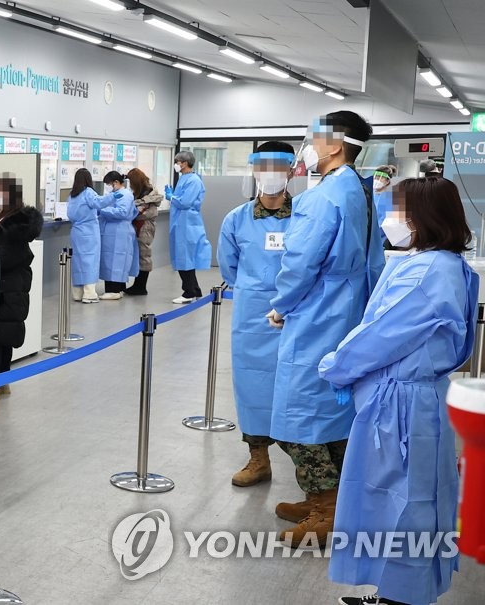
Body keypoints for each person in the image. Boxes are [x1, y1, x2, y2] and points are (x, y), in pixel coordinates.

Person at [321, 177, 476, 605]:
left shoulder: (427, 272)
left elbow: (382, 336)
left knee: (406, 503)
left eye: (396, 211)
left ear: (420, 217)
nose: (389, 220)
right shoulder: (438, 262)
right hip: (408, 398)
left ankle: (404, 598)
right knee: (400, 499)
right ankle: (396, 593)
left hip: (404, 405)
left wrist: (336, 367)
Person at [267, 111, 385, 548]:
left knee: (298, 417)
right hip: (348, 312)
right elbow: (374, 260)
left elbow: (300, 263)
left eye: (315, 140)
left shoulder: (322, 197)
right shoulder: (360, 190)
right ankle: (324, 496)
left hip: (317, 315)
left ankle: (325, 509)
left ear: (335, 145)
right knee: (333, 413)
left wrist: (281, 306)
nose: (311, 147)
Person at [216, 142, 296, 488]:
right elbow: (229, 267)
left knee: (297, 385)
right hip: (251, 316)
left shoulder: (306, 215)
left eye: (279, 168)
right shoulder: (236, 219)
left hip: (297, 312)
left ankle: (310, 470)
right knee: (251, 385)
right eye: (264, 167)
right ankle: (258, 459)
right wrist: (255, 291)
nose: (271, 175)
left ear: (293, 170)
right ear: (253, 170)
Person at [0, 173, 43, 397]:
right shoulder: (0, 219)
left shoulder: (14, 225)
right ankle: (2, 381)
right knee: (2, 336)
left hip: (6, 289)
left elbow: (2, 256)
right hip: (8, 288)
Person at [165, 151, 212, 304]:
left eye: (177, 161)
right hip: (181, 223)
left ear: (184, 163)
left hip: (187, 224)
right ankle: (195, 290)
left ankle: (188, 292)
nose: (176, 164)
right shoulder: (184, 178)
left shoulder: (193, 180)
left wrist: (171, 197)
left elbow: (185, 202)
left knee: (185, 258)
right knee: (183, 258)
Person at [67, 168, 115, 304]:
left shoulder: (72, 195)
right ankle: (89, 293)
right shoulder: (88, 192)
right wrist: (113, 195)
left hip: (76, 232)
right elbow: (98, 203)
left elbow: (70, 214)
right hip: (89, 232)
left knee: (78, 261)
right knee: (90, 260)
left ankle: (77, 293)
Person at [98, 171, 140, 301]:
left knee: (117, 260)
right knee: (110, 259)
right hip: (113, 230)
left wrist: (102, 210)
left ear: (116, 182)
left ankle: (114, 290)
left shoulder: (125, 195)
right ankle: (118, 288)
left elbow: (122, 212)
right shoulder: (115, 194)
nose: (108, 187)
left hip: (120, 231)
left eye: (109, 184)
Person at [123, 168, 163, 296]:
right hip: (138, 226)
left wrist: (134, 212)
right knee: (139, 255)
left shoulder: (149, 194)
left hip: (145, 227)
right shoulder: (140, 193)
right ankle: (137, 285)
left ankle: (141, 287)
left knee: (144, 255)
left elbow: (150, 213)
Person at [372, 165, 397, 242]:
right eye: (376, 177)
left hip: (381, 239)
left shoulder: (389, 198)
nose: (377, 180)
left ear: (387, 181)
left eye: (380, 177)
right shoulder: (370, 195)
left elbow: (385, 223)